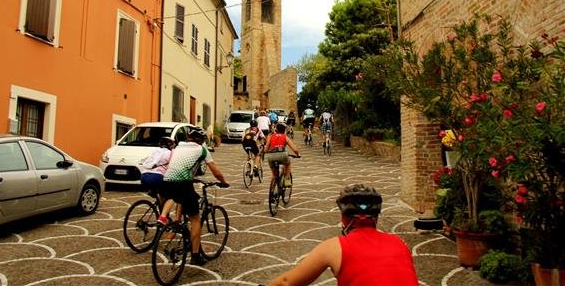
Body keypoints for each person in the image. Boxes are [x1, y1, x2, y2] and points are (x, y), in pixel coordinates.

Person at [267, 184, 419, 286]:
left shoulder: (335, 247)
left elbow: (286, 282)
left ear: (343, 218)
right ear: (377, 217)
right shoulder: (399, 243)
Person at [158, 127, 230, 266]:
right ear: (201, 140)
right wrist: (223, 182)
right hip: (183, 183)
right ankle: (196, 256)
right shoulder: (201, 149)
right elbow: (215, 170)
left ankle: (177, 224)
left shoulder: (179, 146)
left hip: (167, 181)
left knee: (182, 199)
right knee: (195, 219)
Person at [140, 136, 175, 206]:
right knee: (170, 195)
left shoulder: (156, 151)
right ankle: (163, 214)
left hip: (144, 176)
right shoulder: (170, 153)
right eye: (173, 144)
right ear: (169, 145)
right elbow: (173, 166)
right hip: (157, 177)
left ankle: (154, 193)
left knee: (161, 191)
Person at [264, 122, 300, 187]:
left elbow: (265, 150)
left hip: (271, 156)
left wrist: (267, 151)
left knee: (274, 175)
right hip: (283, 155)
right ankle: (287, 180)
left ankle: (273, 188)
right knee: (288, 164)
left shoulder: (270, 136)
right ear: (284, 130)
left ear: (276, 129)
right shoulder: (285, 137)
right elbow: (295, 150)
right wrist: (297, 154)